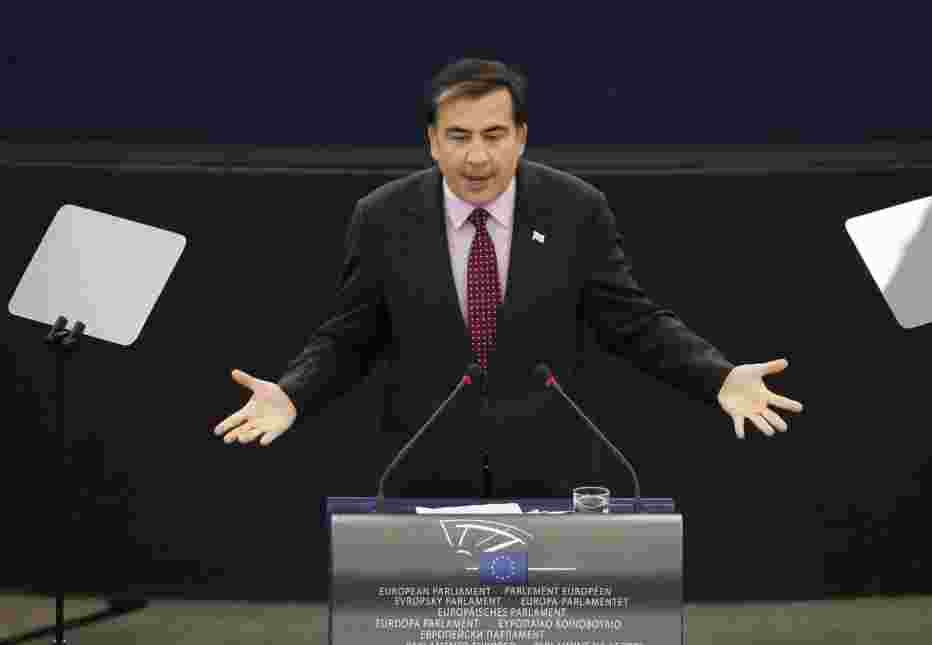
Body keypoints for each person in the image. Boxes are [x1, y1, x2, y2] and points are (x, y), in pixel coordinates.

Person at [213, 58, 803, 498]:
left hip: (551, 469)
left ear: (521, 136)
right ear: (431, 142)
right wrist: (294, 391)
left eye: (494, 135)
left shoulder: (576, 208)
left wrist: (716, 378)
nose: (477, 158)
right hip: (424, 467)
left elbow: (635, 323)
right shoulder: (382, 217)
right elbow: (348, 336)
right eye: (458, 136)